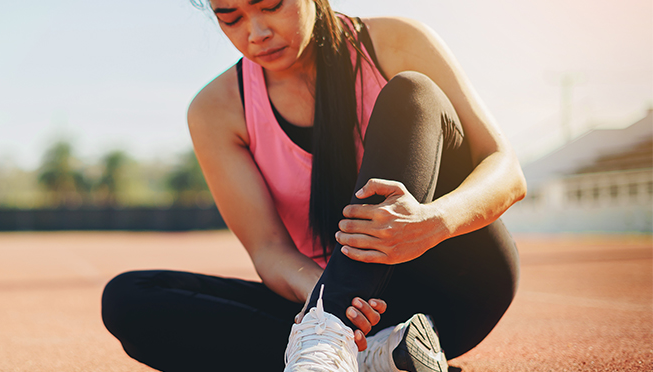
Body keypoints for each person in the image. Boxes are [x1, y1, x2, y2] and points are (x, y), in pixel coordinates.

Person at [101, 0, 526, 371]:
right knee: (128, 299)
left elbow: (506, 169)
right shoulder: (217, 110)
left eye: (271, 5)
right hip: (346, 308)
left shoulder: (395, 42)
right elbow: (269, 250)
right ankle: (370, 355)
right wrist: (329, 299)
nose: (256, 32)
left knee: (412, 92)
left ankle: (330, 347)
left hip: (454, 288)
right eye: (230, 18)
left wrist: (434, 221)